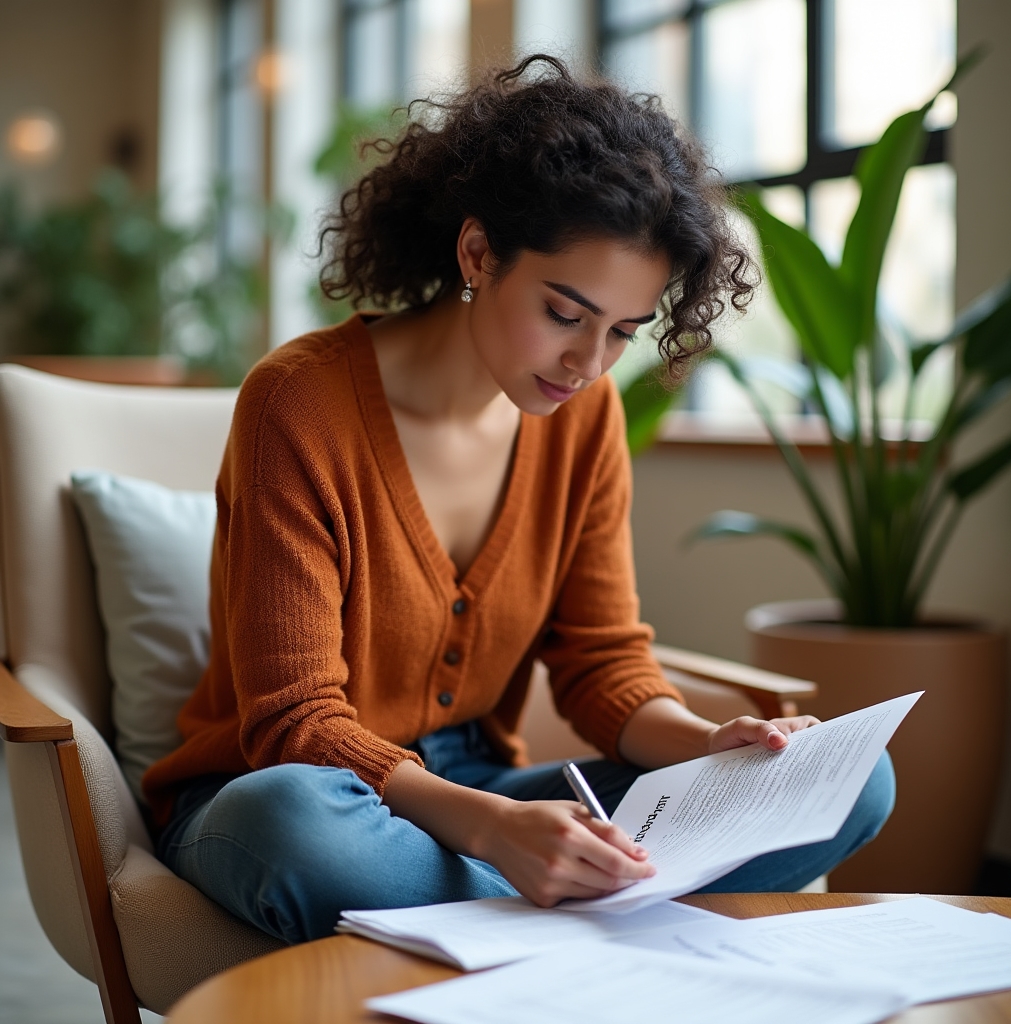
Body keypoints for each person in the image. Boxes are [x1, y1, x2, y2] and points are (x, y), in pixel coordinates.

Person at [144, 55, 895, 945]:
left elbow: (600, 663)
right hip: (301, 789)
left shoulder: (585, 418)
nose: (588, 364)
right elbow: (295, 724)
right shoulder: (298, 404)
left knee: (852, 780)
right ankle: (571, 898)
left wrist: (707, 746)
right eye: (566, 313)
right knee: (294, 828)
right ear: (478, 253)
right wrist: (496, 831)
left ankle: (533, 894)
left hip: (487, 787)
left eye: (622, 332)